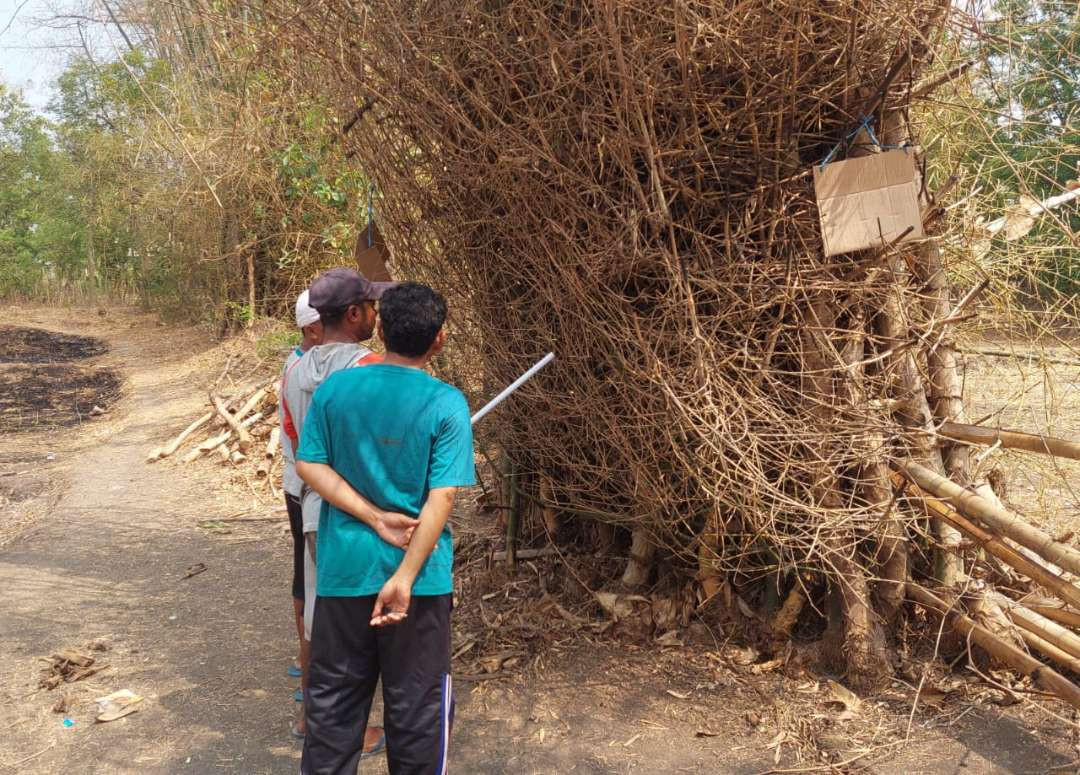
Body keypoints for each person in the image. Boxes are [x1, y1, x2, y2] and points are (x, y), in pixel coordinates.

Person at [297, 282, 475, 775]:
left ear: (383, 327)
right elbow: (443, 496)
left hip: (345, 574)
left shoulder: (336, 391)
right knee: (418, 716)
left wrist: (371, 517)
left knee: (332, 715)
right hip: (419, 584)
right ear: (439, 339)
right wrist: (404, 576)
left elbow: (310, 465)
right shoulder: (446, 403)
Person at [281, 268, 392, 751]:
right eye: (371, 306)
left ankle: (317, 722)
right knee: (359, 627)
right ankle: (346, 733)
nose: (376, 313)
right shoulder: (370, 368)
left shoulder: (295, 371)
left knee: (323, 619)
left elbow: (295, 441)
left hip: (312, 507)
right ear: (353, 315)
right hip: (360, 512)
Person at [279, 290, 323, 728]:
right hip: (312, 493)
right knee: (318, 599)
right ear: (314, 327)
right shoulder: (306, 373)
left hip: (303, 488)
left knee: (307, 584)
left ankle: (307, 682)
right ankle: (311, 710)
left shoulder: (300, 364)